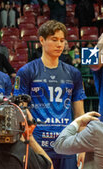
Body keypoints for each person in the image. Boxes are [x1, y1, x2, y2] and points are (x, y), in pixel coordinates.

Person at [14, 20, 86, 169]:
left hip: (66, 144)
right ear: (42, 40)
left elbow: (80, 114)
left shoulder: (74, 73)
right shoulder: (26, 72)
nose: (60, 44)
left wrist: (83, 146)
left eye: (62, 40)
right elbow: (20, 112)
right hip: (38, 144)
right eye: (54, 40)